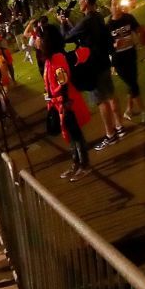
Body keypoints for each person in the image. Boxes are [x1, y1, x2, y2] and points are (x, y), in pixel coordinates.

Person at [66, 0, 123, 147]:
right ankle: (119, 126)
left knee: (101, 101)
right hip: (104, 61)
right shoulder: (97, 16)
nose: (79, 2)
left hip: (93, 66)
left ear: (86, 0)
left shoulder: (86, 20)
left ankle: (110, 134)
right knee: (110, 94)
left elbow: (67, 37)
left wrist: (64, 24)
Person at [39, 21, 95, 181]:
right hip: (60, 103)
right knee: (71, 135)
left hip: (67, 102)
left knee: (76, 135)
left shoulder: (57, 58)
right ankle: (76, 163)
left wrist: (62, 101)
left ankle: (85, 165)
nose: (38, 41)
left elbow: (62, 80)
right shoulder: (50, 58)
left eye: (41, 38)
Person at [106, 0, 145, 123]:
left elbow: (138, 29)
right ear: (110, 7)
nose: (117, 6)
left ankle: (128, 110)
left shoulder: (128, 17)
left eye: (118, 4)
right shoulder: (108, 25)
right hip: (118, 59)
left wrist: (141, 37)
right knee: (132, 83)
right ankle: (143, 111)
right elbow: (106, 45)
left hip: (130, 54)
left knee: (132, 82)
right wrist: (114, 44)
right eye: (114, 4)